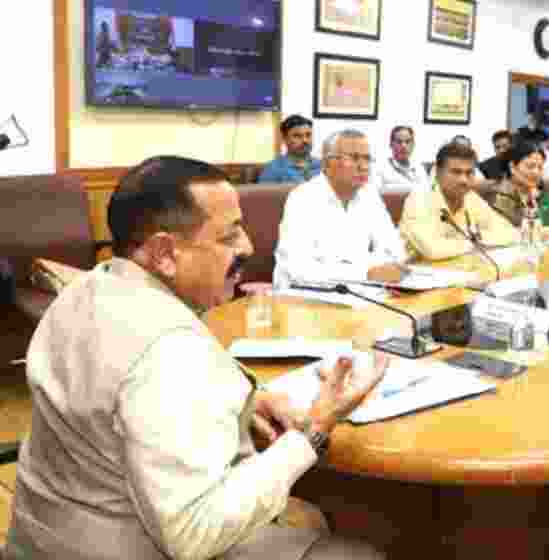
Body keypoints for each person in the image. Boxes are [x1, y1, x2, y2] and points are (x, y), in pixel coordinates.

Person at [6, 155, 387, 560]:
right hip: (125, 546)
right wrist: (313, 429)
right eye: (230, 236)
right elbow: (193, 533)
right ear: (165, 253)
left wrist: (249, 396)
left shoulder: (86, 290)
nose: (248, 247)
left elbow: (116, 386)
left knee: (305, 515)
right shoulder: (171, 350)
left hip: (44, 537)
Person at [273, 129, 406, 290]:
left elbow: (394, 250)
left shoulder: (369, 195)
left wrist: (372, 269)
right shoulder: (303, 198)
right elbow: (299, 268)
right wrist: (366, 272)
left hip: (360, 292)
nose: (363, 166)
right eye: (354, 158)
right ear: (327, 163)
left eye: (367, 159)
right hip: (306, 298)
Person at [400, 142, 517, 260]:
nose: (463, 180)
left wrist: (475, 238)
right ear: (438, 172)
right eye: (456, 172)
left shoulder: (470, 198)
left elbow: (511, 233)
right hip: (416, 272)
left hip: (460, 270)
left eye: (469, 173)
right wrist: (475, 240)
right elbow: (433, 250)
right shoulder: (419, 199)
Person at [486, 140, 549, 227]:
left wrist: (540, 201)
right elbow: (510, 231)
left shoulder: (542, 195)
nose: (536, 172)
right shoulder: (499, 195)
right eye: (530, 166)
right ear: (512, 167)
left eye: (540, 167)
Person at [259, 115, 323, 184]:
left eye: (308, 135)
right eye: (297, 136)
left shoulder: (323, 166)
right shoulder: (273, 169)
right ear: (285, 139)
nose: (305, 140)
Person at [376, 125, 430, 192]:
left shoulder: (420, 169)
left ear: (413, 145)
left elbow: (427, 193)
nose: (404, 146)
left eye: (407, 142)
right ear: (391, 144)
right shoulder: (380, 169)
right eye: (399, 142)